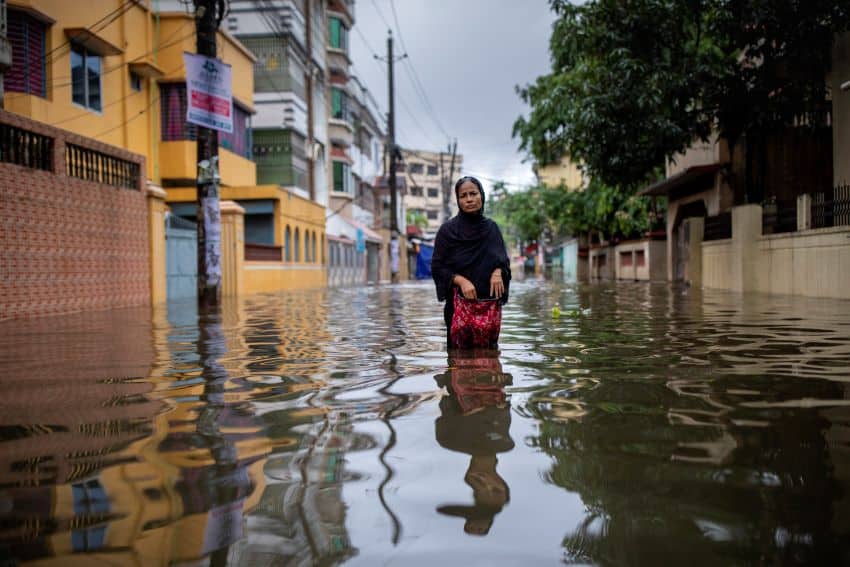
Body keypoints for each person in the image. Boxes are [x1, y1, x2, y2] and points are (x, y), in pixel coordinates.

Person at [434, 350, 514, 536]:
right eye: (495, 489)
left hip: (461, 357)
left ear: (468, 478)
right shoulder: (506, 442)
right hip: (488, 356)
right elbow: (502, 398)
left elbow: (446, 394)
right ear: (502, 481)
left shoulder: (448, 439)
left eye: (479, 489)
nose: (486, 482)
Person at [431, 176, 511, 349]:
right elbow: (437, 268)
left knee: (490, 363)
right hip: (458, 308)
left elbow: (503, 262)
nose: (469, 199)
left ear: (481, 195)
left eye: (473, 193)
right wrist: (460, 280)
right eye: (463, 195)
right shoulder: (447, 231)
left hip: (489, 308)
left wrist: (498, 272)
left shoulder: (492, 229)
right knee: (459, 362)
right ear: (458, 200)